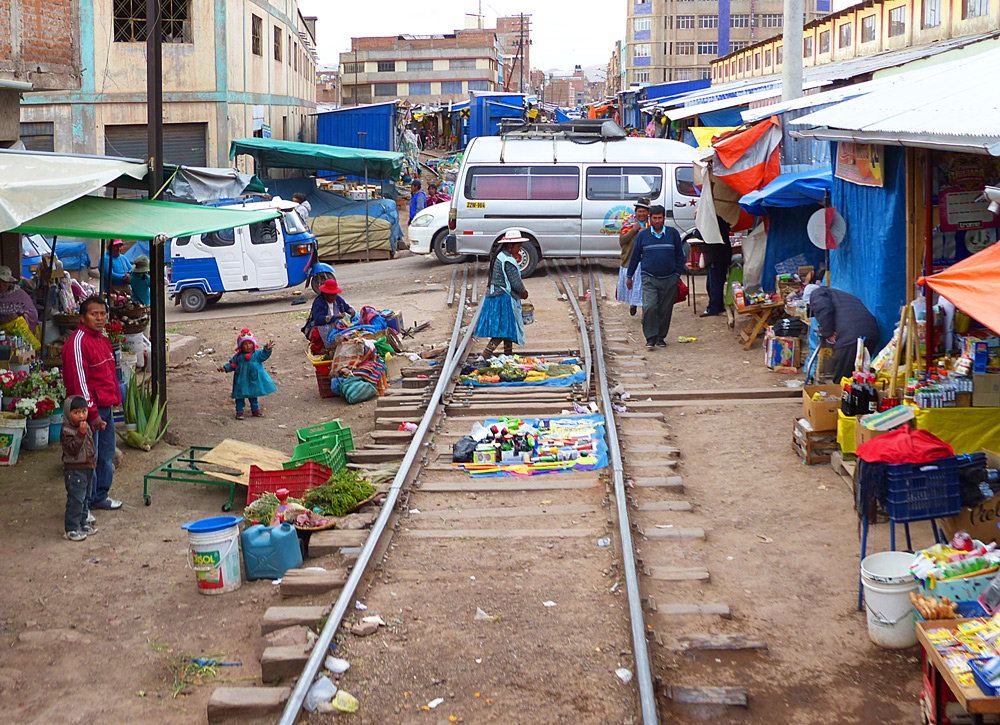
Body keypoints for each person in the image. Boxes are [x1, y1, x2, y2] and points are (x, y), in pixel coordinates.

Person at [62, 296, 122, 510]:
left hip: (105, 409)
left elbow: (109, 375)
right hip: (86, 414)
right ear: (82, 317)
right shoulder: (78, 343)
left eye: (103, 314)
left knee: (105, 455)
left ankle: (100, 496)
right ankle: (83, 507)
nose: (99, 318)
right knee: (86, 460)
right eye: (93, 314)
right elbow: (80, 383)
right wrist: (91, 414)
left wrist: (115, 397)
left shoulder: (102, 339)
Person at [626, 205, 686, 349]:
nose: (658, 221)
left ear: (664, 218)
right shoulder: (642, 235)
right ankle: (650, 338)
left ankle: (660, 337)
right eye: (655, 218)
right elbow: (634, 256)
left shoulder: (672, 234)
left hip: (670, 278)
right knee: (650, 307)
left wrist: (676, 274)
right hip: (649, 278)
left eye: (660, 218)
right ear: (650, 218)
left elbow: (681, 256)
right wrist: (629, 276)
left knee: (665, 309)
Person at [804, 284, 881, 383]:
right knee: (859, 378)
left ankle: (841, 396)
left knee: (842, 379)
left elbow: (824, 308)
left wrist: (828, 333)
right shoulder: (842, 296)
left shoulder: (817, 294)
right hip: (871, 334)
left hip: (851, 338)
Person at [475, 230, 529, 358]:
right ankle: (484, 356)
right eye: (518, 246)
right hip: (502, 298)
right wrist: (523, 292)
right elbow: (516, 283)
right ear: (509, 246)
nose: (519, 249)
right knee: (502, 330)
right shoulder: (508, 261)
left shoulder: (500, 256)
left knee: (508, 328)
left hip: (496, 296)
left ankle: (508, 357)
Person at [218, 328, 276, 419]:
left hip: (253, 379)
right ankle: (239, 411)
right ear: (241, 346)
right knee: (240, 396)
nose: (248, 346)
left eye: (250, 343)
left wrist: (267, 350)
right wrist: (225, 368)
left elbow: (264, 355)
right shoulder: (238, 357)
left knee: (253, 395)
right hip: (241, 380)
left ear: (254, 344)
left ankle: (255, 410)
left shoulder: (257, 355)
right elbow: (232, 364)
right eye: (245, 344)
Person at [61, 395, 97, 541]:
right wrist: (81, 434)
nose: (81, 416)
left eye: (84, 411)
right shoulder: (67, 430)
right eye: (76, 413)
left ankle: (82, 523)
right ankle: (71, 528)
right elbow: (72, 449)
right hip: (75, 469)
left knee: (85, 497)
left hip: (87, 467)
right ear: (68, 414)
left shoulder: (86, 425)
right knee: (76, 499)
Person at [616, 197, 650, 317]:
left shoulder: (651, 224)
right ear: (635, 212)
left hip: (646, 262)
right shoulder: (629, 223)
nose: (642, 214)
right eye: (639, 211)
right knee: (632, 284)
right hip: (630, 260)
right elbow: (623, 240)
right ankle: (633, 304)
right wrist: (633, 231)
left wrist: (645, 232)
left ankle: (645, 312)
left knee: (644, 287)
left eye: (644, 211)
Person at [700, 216, 733, 317]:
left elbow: (700, 233)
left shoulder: (710, 222)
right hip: (724, 255)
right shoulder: (721, 220)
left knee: (713, 284)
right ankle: (718, 306)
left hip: (715, 256)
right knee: (719, 282)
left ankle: (713, 308)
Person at [0, 265, 39, 345]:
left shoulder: (20, 295)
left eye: (4, 281)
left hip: (18, 338)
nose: (1, 285)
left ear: (9, 282)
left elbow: (33, 313)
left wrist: (19, 317)